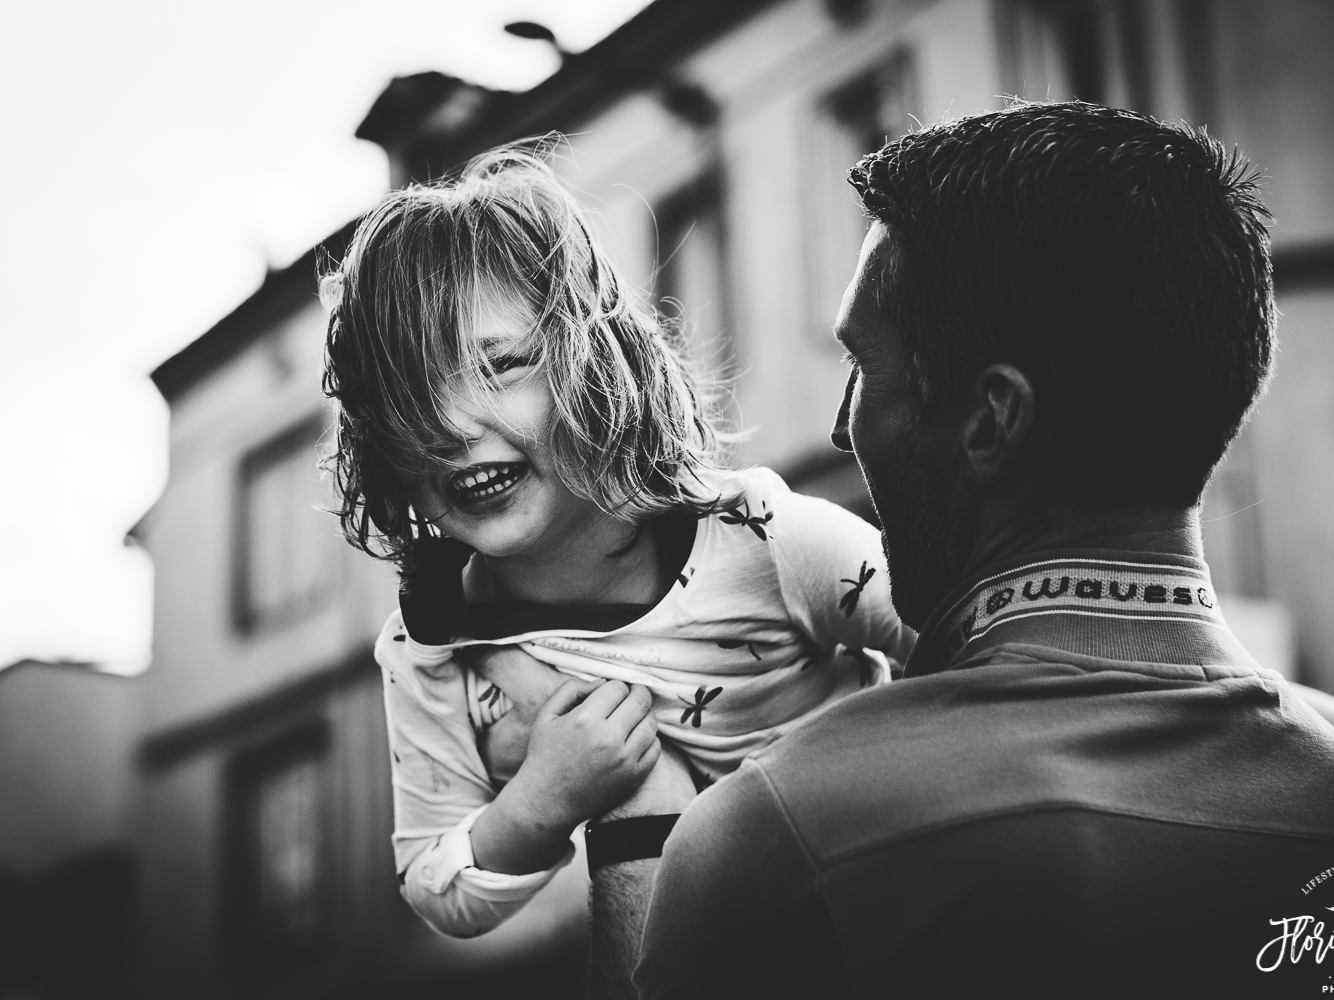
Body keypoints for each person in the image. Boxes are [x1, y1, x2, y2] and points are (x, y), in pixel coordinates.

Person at [593, 104, 1334, 997]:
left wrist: (627, 841)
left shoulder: (783, 836)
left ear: (991, 418)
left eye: (864, 367)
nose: (841, 429)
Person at [318, 147, 915, 938]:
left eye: (502, 365)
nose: (452, 427)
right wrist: (540, 799)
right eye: (411, 400)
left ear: (596, 367)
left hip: (886, 878)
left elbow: (964, 632)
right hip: (706, 949)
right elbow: (435, 882)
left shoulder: (760, 537)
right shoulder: (433, 646)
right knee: (639, 783)